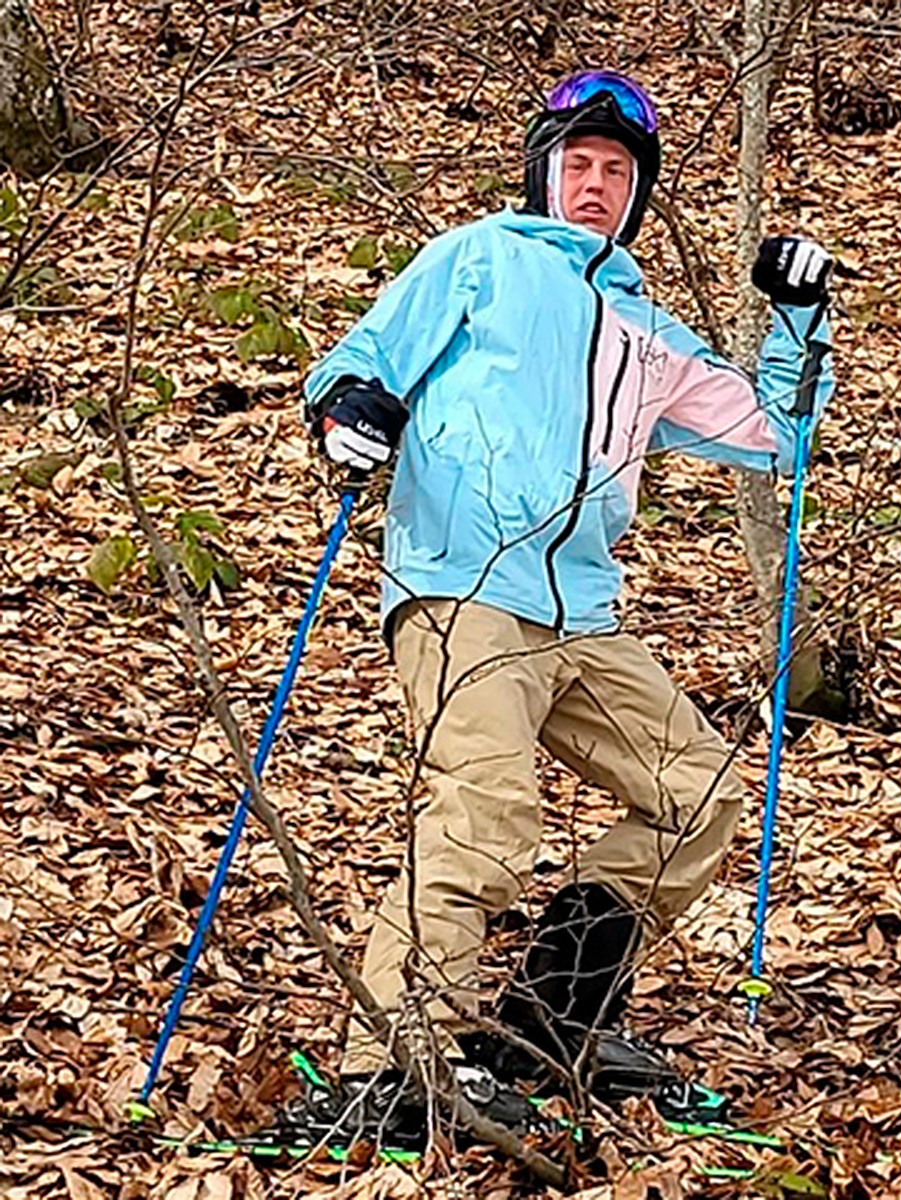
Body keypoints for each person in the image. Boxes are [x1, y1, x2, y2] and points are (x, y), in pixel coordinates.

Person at [294, 68, 835, 1142]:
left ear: (638, 194)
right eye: (577, 166)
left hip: (582, 610)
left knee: (698, 792)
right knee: (487, 813)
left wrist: (800, 317)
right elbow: (361, 362)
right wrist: (347, 411)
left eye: (616, 173)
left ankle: (550, 1019)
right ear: (544, 175)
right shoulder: (477, 260)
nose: (594, 186)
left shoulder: (650, 330)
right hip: (463, 588)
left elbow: (777, 433)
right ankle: (392, 1061)